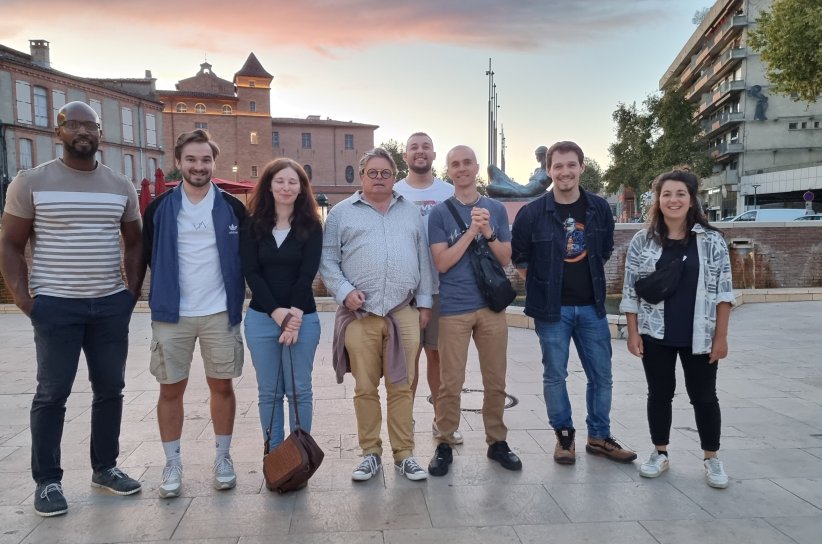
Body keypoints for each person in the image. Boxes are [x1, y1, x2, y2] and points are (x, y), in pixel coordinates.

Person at [0, 101, 145, 516]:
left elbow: (135, 242)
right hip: (55, 306)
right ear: (58, 131)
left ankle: (106, 468)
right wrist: (26, 300)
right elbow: (10, 244)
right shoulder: (31, 182)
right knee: (52, 393)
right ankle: (47, 481)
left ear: (100, 134)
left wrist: (129, 295)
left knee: (110, 390)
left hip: (108, 306)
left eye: (91, 126)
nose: (83, 132)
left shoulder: (120, 185)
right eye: (74, 124)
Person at [511, 141, 636, 466]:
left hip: (592, 308)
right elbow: (520, 259)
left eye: (571, 165)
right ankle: (564, 437)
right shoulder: (532, 213)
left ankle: (599, 436)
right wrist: (543, 285)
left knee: (602, 376)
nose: (564, 172)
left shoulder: (598, 208)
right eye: (558, 166)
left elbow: (605, 248)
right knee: (555, 375)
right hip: (552, 311)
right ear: (549, 170)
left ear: (581, 167)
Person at [143, 129, 247, 498]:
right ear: (178, 163)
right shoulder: (159, 208)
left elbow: (248, 258)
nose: (198, 166)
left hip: (220, 311)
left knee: (222, 386)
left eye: (205, 160)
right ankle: (172, 463)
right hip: (173, 314)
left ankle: (223, 457)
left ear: (213, 163)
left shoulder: (233, 208)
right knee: (170, 390)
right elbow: (144, 255)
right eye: (191, 159)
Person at [320, 147, 433, 482]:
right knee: (365, 388)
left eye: (386, 173)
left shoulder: (411, 212)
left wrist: (425, 304)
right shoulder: (341, 214)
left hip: (404, 313)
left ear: (394, 177)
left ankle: (405, 454)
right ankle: (370, 453)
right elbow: (327, 260)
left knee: (403, 385)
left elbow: (423, 259)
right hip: (360, 316)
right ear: (361, 175)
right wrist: (343, 292)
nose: (380, 178)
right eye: (374, 172)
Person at [620, 167, 734, 489]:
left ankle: (711, 457)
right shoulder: (643, 241)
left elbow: (724, 292)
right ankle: (660, 452)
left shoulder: (711, 241)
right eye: (667, 194)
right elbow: (631, 291)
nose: (673, 200)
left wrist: (721, 337)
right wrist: (633, 332)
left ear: (692, 199)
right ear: (658, 200)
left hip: (699, 335)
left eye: (680, 194)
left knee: (705, 397)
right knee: (659, 395)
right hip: (655, 334)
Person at [426, 145, 522, 477]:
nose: (462, 168)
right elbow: (441, 262)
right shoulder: (439, 213)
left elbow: (506, 258)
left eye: (467, 162)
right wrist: (470, 232)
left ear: (476, 167)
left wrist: (488, 232)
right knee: (450, 383)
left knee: (495, 380)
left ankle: (497, 441)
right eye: (455, 164)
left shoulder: (494, 208)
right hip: (454, 308)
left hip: (491, 309)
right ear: (448, 171)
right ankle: (444, 441)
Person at [240, 159, 322, 453]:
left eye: (293, 182)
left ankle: (299, 456)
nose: (286, 187)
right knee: (269, 392)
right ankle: (275, 455)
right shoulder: (252, 225)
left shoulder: (311, 225)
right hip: (262, 319)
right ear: (269, 185)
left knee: (299, 391)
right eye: (280, 181)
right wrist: (277, 313)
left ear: (301, 189)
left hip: (303, 318)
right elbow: (251, 272)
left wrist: (294, 316)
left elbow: (307, 274)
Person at [393, 132, 461, 443]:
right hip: (403, 291)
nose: (420, 152)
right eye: (413, 147)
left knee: (437, 357)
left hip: (441, 289)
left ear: (434, 154)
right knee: (408, 358)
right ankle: (404, 422)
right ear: (405, 156)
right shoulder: (393, 192)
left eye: (425, 147)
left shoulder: (450, 192)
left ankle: (440, 420)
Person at [486, 145, 552, 198]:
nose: (536, 157)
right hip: (522, 188)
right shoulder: (537, 170)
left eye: (537, 155)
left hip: (524, 192)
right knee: (491, 167)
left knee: (489, 188)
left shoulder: (549, 171)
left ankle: (497, 184)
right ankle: (497, 183)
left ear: (542, 155)